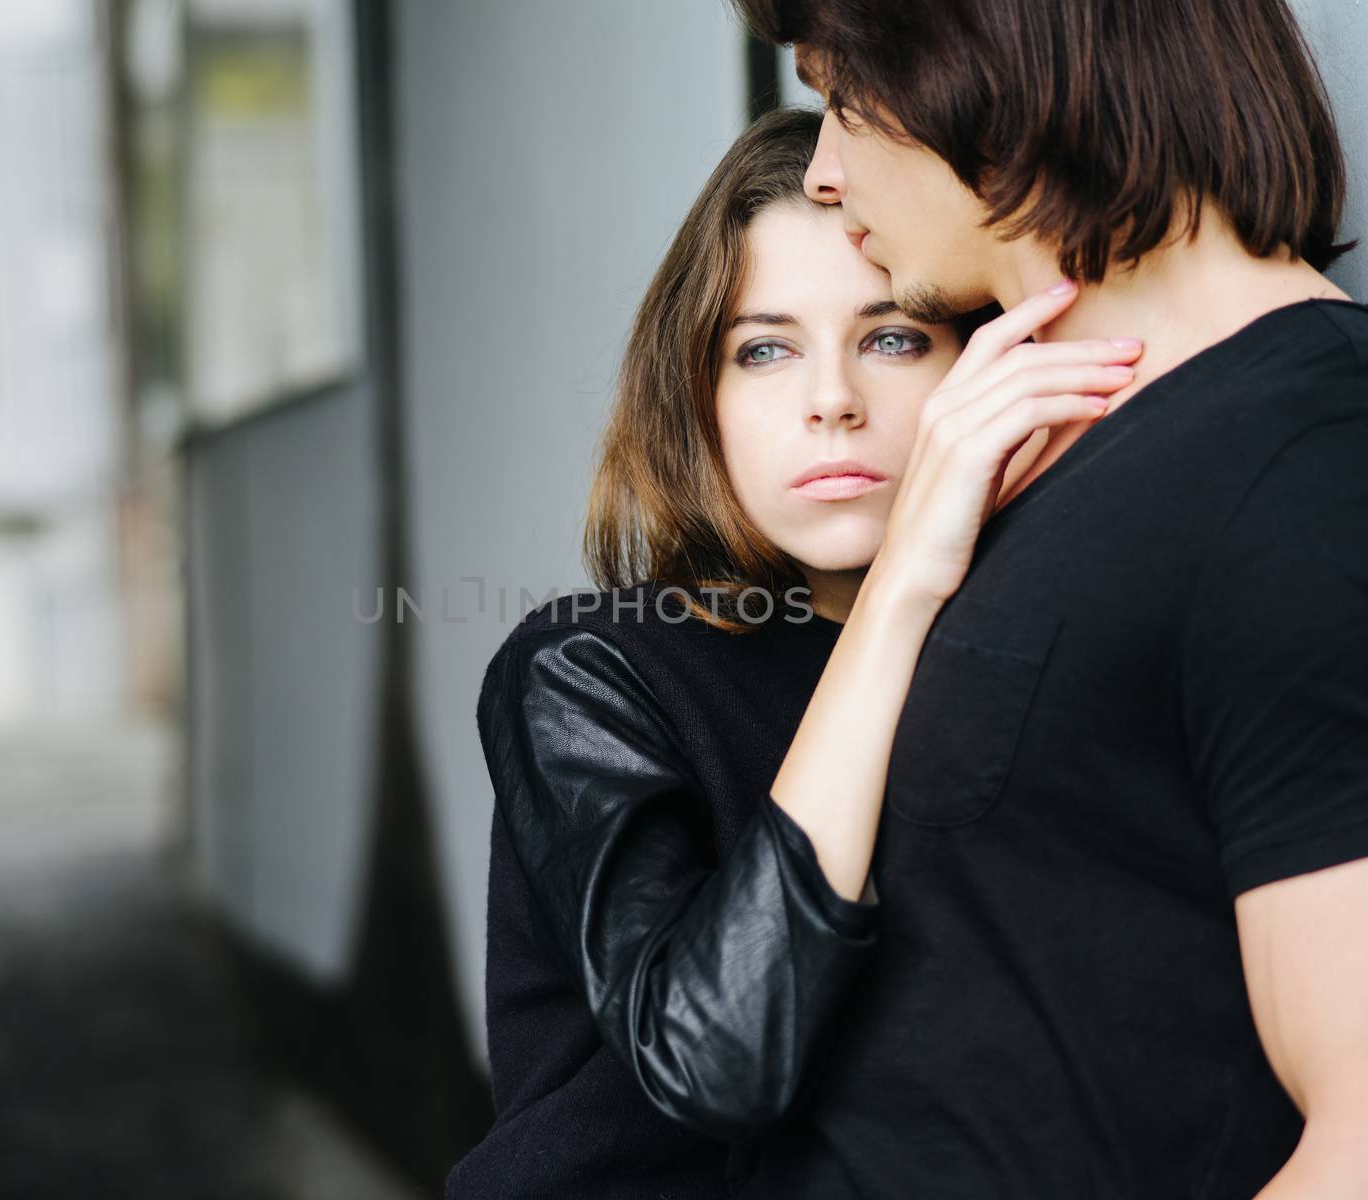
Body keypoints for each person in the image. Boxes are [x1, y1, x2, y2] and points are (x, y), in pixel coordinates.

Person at [728, 1, 1368, 1196]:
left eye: (841, 99)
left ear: (981, 64)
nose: (822, 172)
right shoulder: (1026, 443)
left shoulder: (1309, 462)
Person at [445, 105, 1138, 1199]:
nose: (831, 403)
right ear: (698, 397)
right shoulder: (587, 671)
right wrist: (901, 587)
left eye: (893, 337)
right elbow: (712, 1060)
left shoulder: (1023, 654)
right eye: (763, 349)